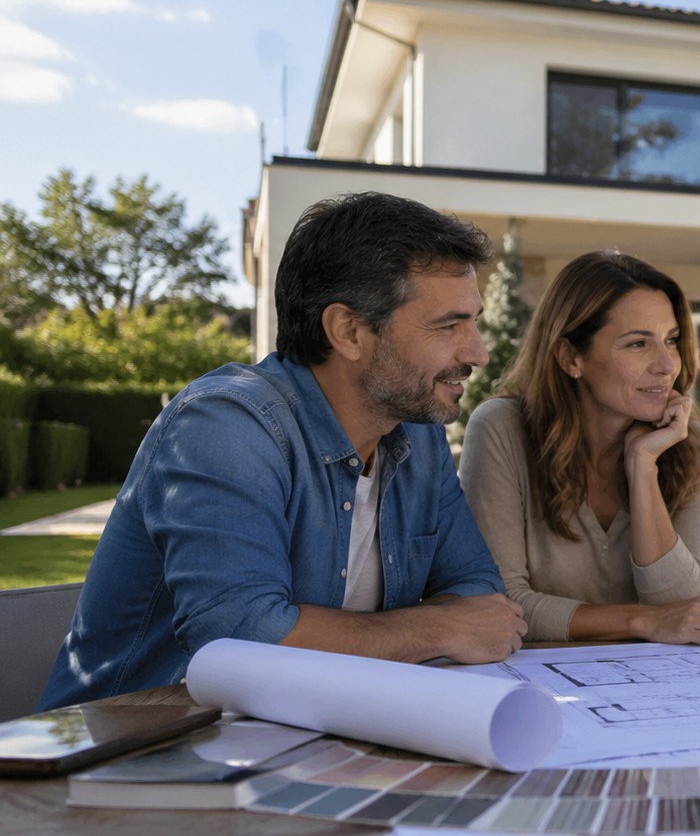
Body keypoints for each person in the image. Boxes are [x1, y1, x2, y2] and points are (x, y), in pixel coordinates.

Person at [40, 192, 528, 709]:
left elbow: (479, 596)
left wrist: (432, 627)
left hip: (304, 740)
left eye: (473, 322)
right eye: (449, 325)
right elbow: (240, 641)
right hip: (131, 757)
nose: (477, 352)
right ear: (349, 331)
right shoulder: (226, 426)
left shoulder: (416, 432)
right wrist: (434, 630)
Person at [459, 251, 700, 645]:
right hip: (535, 686)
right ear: (572, 358)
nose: (666, 365)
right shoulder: (502, 429)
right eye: (638, 344)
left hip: (656, 686)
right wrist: (641, 622)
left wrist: (643, 468)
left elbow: (687, 610)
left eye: (671, 340)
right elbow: (494, 602)